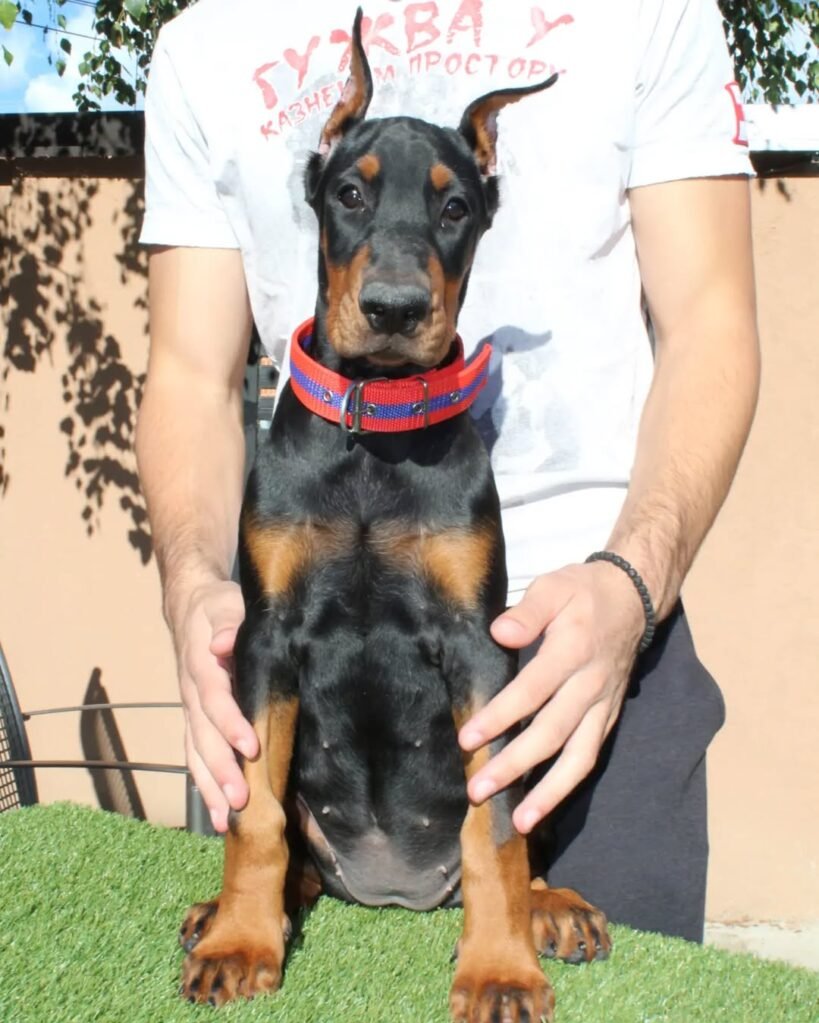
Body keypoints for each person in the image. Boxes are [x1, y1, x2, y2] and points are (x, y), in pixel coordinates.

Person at [136, 0, 760, 943]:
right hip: (307, 721)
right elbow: (188, 373)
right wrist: (190, 588)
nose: (395, 289)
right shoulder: (203, 43)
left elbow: (711, 322)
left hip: (583, 650)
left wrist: (634, 583)